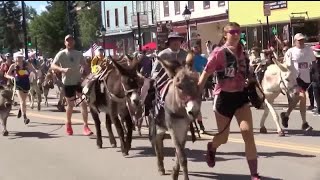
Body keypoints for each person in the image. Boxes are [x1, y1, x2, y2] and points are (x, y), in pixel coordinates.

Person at [198, 22, 261, 180]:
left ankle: (254, 173)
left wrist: (250, 81)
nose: (235, 34)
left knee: (247, 133)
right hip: (224, 98)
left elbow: (249, 73)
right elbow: (206, 73)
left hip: (240, 97)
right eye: (232, 31)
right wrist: (196, 93)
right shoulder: (219, 52)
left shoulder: (243, 53)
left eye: (238, 31)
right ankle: (212, 147)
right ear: (225, 34)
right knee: (223, 138)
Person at [51, 34, 93, 136]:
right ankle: (68, 123)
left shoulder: (79, 54)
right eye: (67, 40)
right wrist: (62, 69)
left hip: (78, 82)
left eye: (71, 40)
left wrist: (89, 75)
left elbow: (85, 65)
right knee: (70, 105)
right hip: (68, 83)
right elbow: (53, 65)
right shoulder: (61, 54)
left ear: (74, 42)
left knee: (83, 103)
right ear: (65, 43)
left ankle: (86, 126)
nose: (69, 42)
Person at [280, 33, 314, 131]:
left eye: (303, 39)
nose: (301, 42)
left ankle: (286, 115)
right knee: (302, 97)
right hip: (295, 79)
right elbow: (285, 66)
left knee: (300, 99)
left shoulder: (308, 50)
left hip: (306, 79)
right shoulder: (290, 51)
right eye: (299, 40)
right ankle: (304, 123)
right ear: (295, 41)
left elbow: (313, 61)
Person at [5, 52, 37, 124]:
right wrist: (11, 77)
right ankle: (25, 118)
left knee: (23, 101)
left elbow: (34, 70)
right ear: (15, 58)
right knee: (22, 101)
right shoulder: (13, 66)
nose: (19, 59)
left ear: (22, 58)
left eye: (20, 57)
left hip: (26, 83)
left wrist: (36, 75)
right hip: (18, 84)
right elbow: (7, 75)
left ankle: (21, 109)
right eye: (17, 57)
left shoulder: (27, 64)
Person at [191, 43, 207, 133]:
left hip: (199, 82)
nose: (196, 49)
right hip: (189, 83)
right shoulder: (190, 58)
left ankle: (201, 126)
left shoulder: (202, 58)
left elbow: (208, 67)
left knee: (197, 106)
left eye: (197, 47)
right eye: (194, 47)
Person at [311, 44, 320, 115]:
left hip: (317, 81)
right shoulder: (313, 62)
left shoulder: (316, 62)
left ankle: (318, 108)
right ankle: (318, 108)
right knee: (316, 96)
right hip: (314, 81)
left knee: (317, 95)